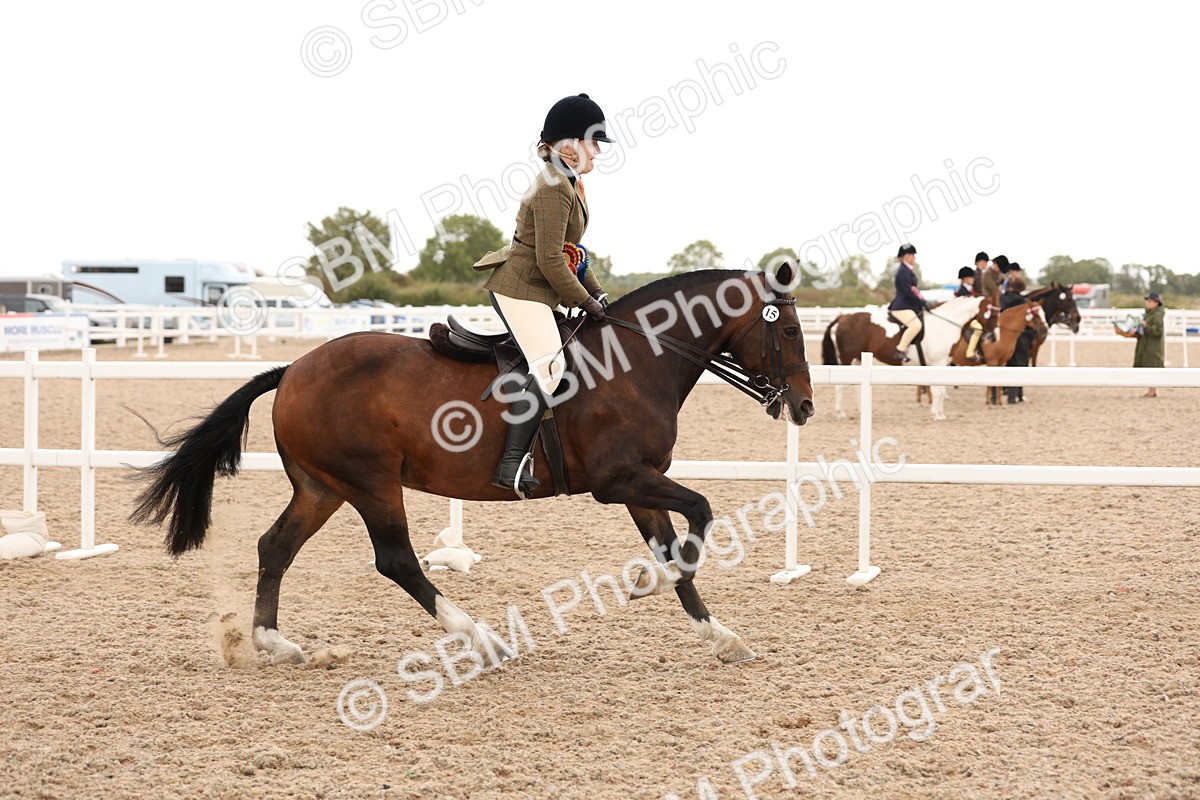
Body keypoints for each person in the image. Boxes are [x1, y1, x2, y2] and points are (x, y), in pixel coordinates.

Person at [473, 93, 611, 496]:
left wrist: (598, 292)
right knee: (551, 367)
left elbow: (572, 252)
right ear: (569, 146)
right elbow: (551, 260)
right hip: (521, 289)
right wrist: (585, 301)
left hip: (538, 287)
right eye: (594, 142)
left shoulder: (569, 182)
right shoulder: (554, 186)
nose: (598, 151)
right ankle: (511, 463)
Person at [1117, 292, 1166, 397]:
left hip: (1153, 346)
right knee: (1148, 366)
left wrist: (1145, 325)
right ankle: (1151, 390)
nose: (1147, 303)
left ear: (1156, 302)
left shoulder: (1157, 315)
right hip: (1146, 344)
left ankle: (1152, 391)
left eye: (1150, 301)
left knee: (1152, 366)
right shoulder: (1149, 314)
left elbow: (1158, 331)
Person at [887, 243, 929, 363]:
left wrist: (924, 301)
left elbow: (915, 290)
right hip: (902, 306)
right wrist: (922, 303)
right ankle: (900, 350)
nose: (914, 257)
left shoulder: (908, 270)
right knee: (916, 325)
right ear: (906, 256)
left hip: (909, 305)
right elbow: (908, 292)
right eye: (912, 255)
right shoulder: (903, 271)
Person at [967, 254, 1006, 363]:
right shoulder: (975, 274)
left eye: (986, 261)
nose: (985, 263)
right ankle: (977, 349)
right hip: (980, 301)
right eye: (983, 261)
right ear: (977, 262)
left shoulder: (992, 273)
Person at [1000, 274, 1033, 403]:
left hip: (1006, 338)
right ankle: (1017, 394)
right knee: (1021, 365)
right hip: (1022, 337)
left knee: (1008, 365)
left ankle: (1006, 394)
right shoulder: (1025, 302)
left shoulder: (1003, 299)